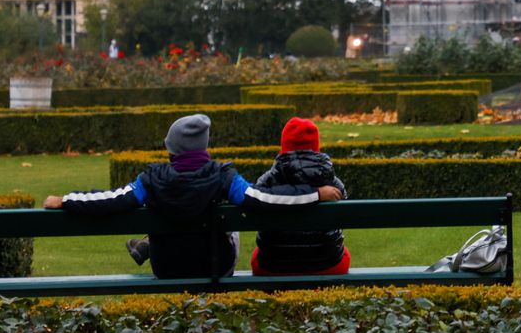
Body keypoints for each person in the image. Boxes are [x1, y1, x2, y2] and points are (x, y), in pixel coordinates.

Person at [43, 114, 343, 279]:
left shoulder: (151, 178)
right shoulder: (223, 176)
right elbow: (263, 199)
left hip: (166, 268)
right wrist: (314, 194)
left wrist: (65, 200)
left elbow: (113, 199)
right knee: (232, 213)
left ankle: (147, 245)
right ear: (204, 147)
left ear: (171, 149)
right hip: (214, 267)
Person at [251, 117, 351, 275]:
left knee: (257, 255)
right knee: (344, 253)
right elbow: (342, 221)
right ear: (316, 146)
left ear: (284, 145)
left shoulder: (267, 181)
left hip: (274, 267)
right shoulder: (333, 183)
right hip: (327, 266)